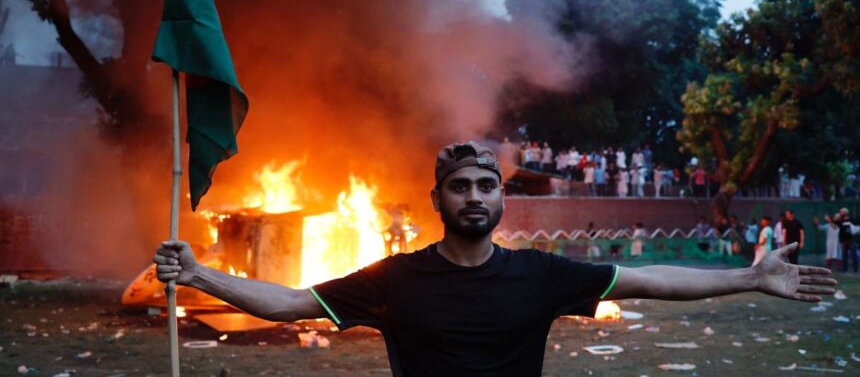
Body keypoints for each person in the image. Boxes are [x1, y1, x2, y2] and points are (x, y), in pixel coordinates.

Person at [153, 142, 837, 376]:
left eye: (487, 186)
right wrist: (198, 274)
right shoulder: (396, 278)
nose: (475, 197)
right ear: (437, 199)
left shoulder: (541, 275)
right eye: (461, 187)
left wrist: (749, 277)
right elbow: (294, 303)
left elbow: (651, 280)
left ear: (501, 198)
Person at [835, 208, 859, 273]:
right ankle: (844, 269)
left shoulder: (852, 220)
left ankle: (855, 270)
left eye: (842, 212)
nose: (840, 213)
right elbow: (835, 224)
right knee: (844, 256)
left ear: (846, 213)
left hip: (851, 240)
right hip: (844, 241)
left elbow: (856, 229)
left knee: (854, 255)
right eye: (840, 212)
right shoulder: (840, 221)